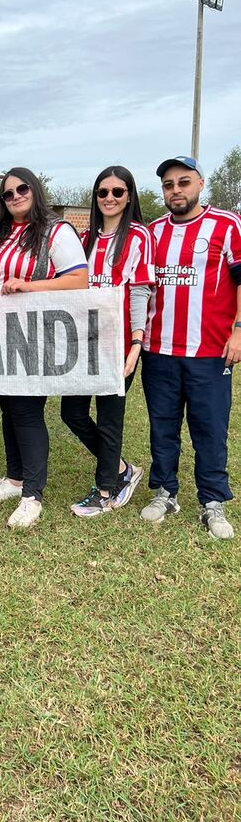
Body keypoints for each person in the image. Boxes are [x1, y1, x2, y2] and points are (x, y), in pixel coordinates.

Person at [0, 167, 88, 529]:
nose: (15, 197)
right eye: (7, 194)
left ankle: (32, 496)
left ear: (35, 190)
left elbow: (79, 279)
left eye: (22, 189)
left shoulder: (56, 230)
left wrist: (30, 286)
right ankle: (15, 478)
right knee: (7, 407)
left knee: (25, 411)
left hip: (29, 336)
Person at [140, 156, 241, 540]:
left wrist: (239, 331)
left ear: (200, 183)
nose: (176, 190)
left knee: (209, 428)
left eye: (183, 182)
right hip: (159, 350)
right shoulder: (153, 232)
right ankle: (165, 492)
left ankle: (212, 501)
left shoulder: (226, 225)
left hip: (210, 352)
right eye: (168, 185)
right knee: (162, 426)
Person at [60, 166, 154, 516]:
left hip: (119, 343)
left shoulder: (139, 236)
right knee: (71, 413)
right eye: (103, 192)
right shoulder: (84, 239)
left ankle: (104, 491)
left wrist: (136, 345)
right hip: (84, 343)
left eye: (117, 191)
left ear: (129, 196)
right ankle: (123, 469)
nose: (110, 198)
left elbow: (140, 292)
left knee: (110, 416)